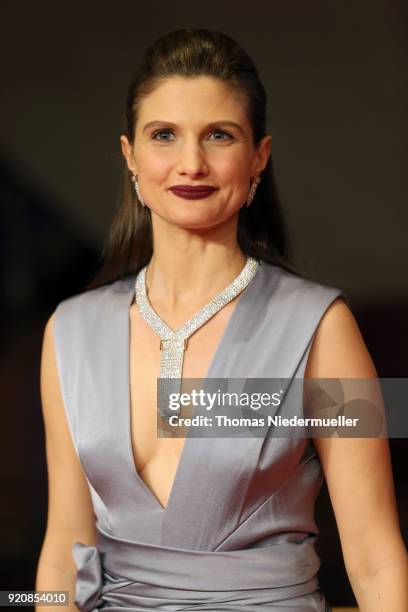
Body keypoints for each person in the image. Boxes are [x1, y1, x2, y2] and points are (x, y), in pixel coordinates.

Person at [36, 28, 408, 612]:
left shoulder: (324, 326)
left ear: (258, 155)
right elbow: (66, 550)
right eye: (165, 135)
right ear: (130, 155)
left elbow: (374, 554)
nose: (191, 163)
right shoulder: (68, 331)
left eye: (219, 135)